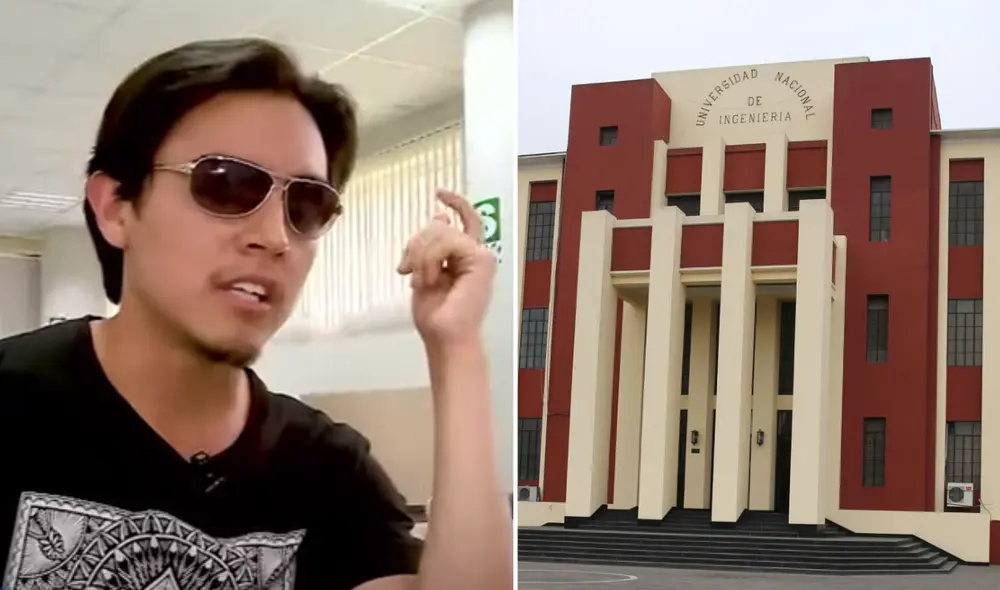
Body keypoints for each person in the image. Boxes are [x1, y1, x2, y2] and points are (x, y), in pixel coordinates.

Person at [0, 38, 512, 590]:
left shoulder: (323, 466)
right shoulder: (13, 403)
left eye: (306, 205)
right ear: (116, 208)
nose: (274, 237)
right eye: (224, 183)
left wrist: (455, 346)